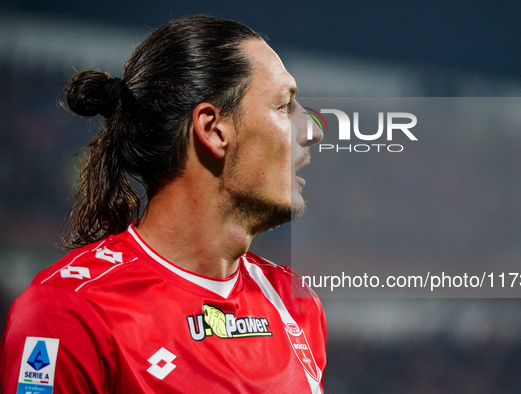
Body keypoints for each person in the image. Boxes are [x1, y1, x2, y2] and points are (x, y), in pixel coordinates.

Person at [0, 14, 325, 393]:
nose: (314, 131)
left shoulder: (294, 304)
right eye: (285, 107)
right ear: (213, 130)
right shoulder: (67, 313)